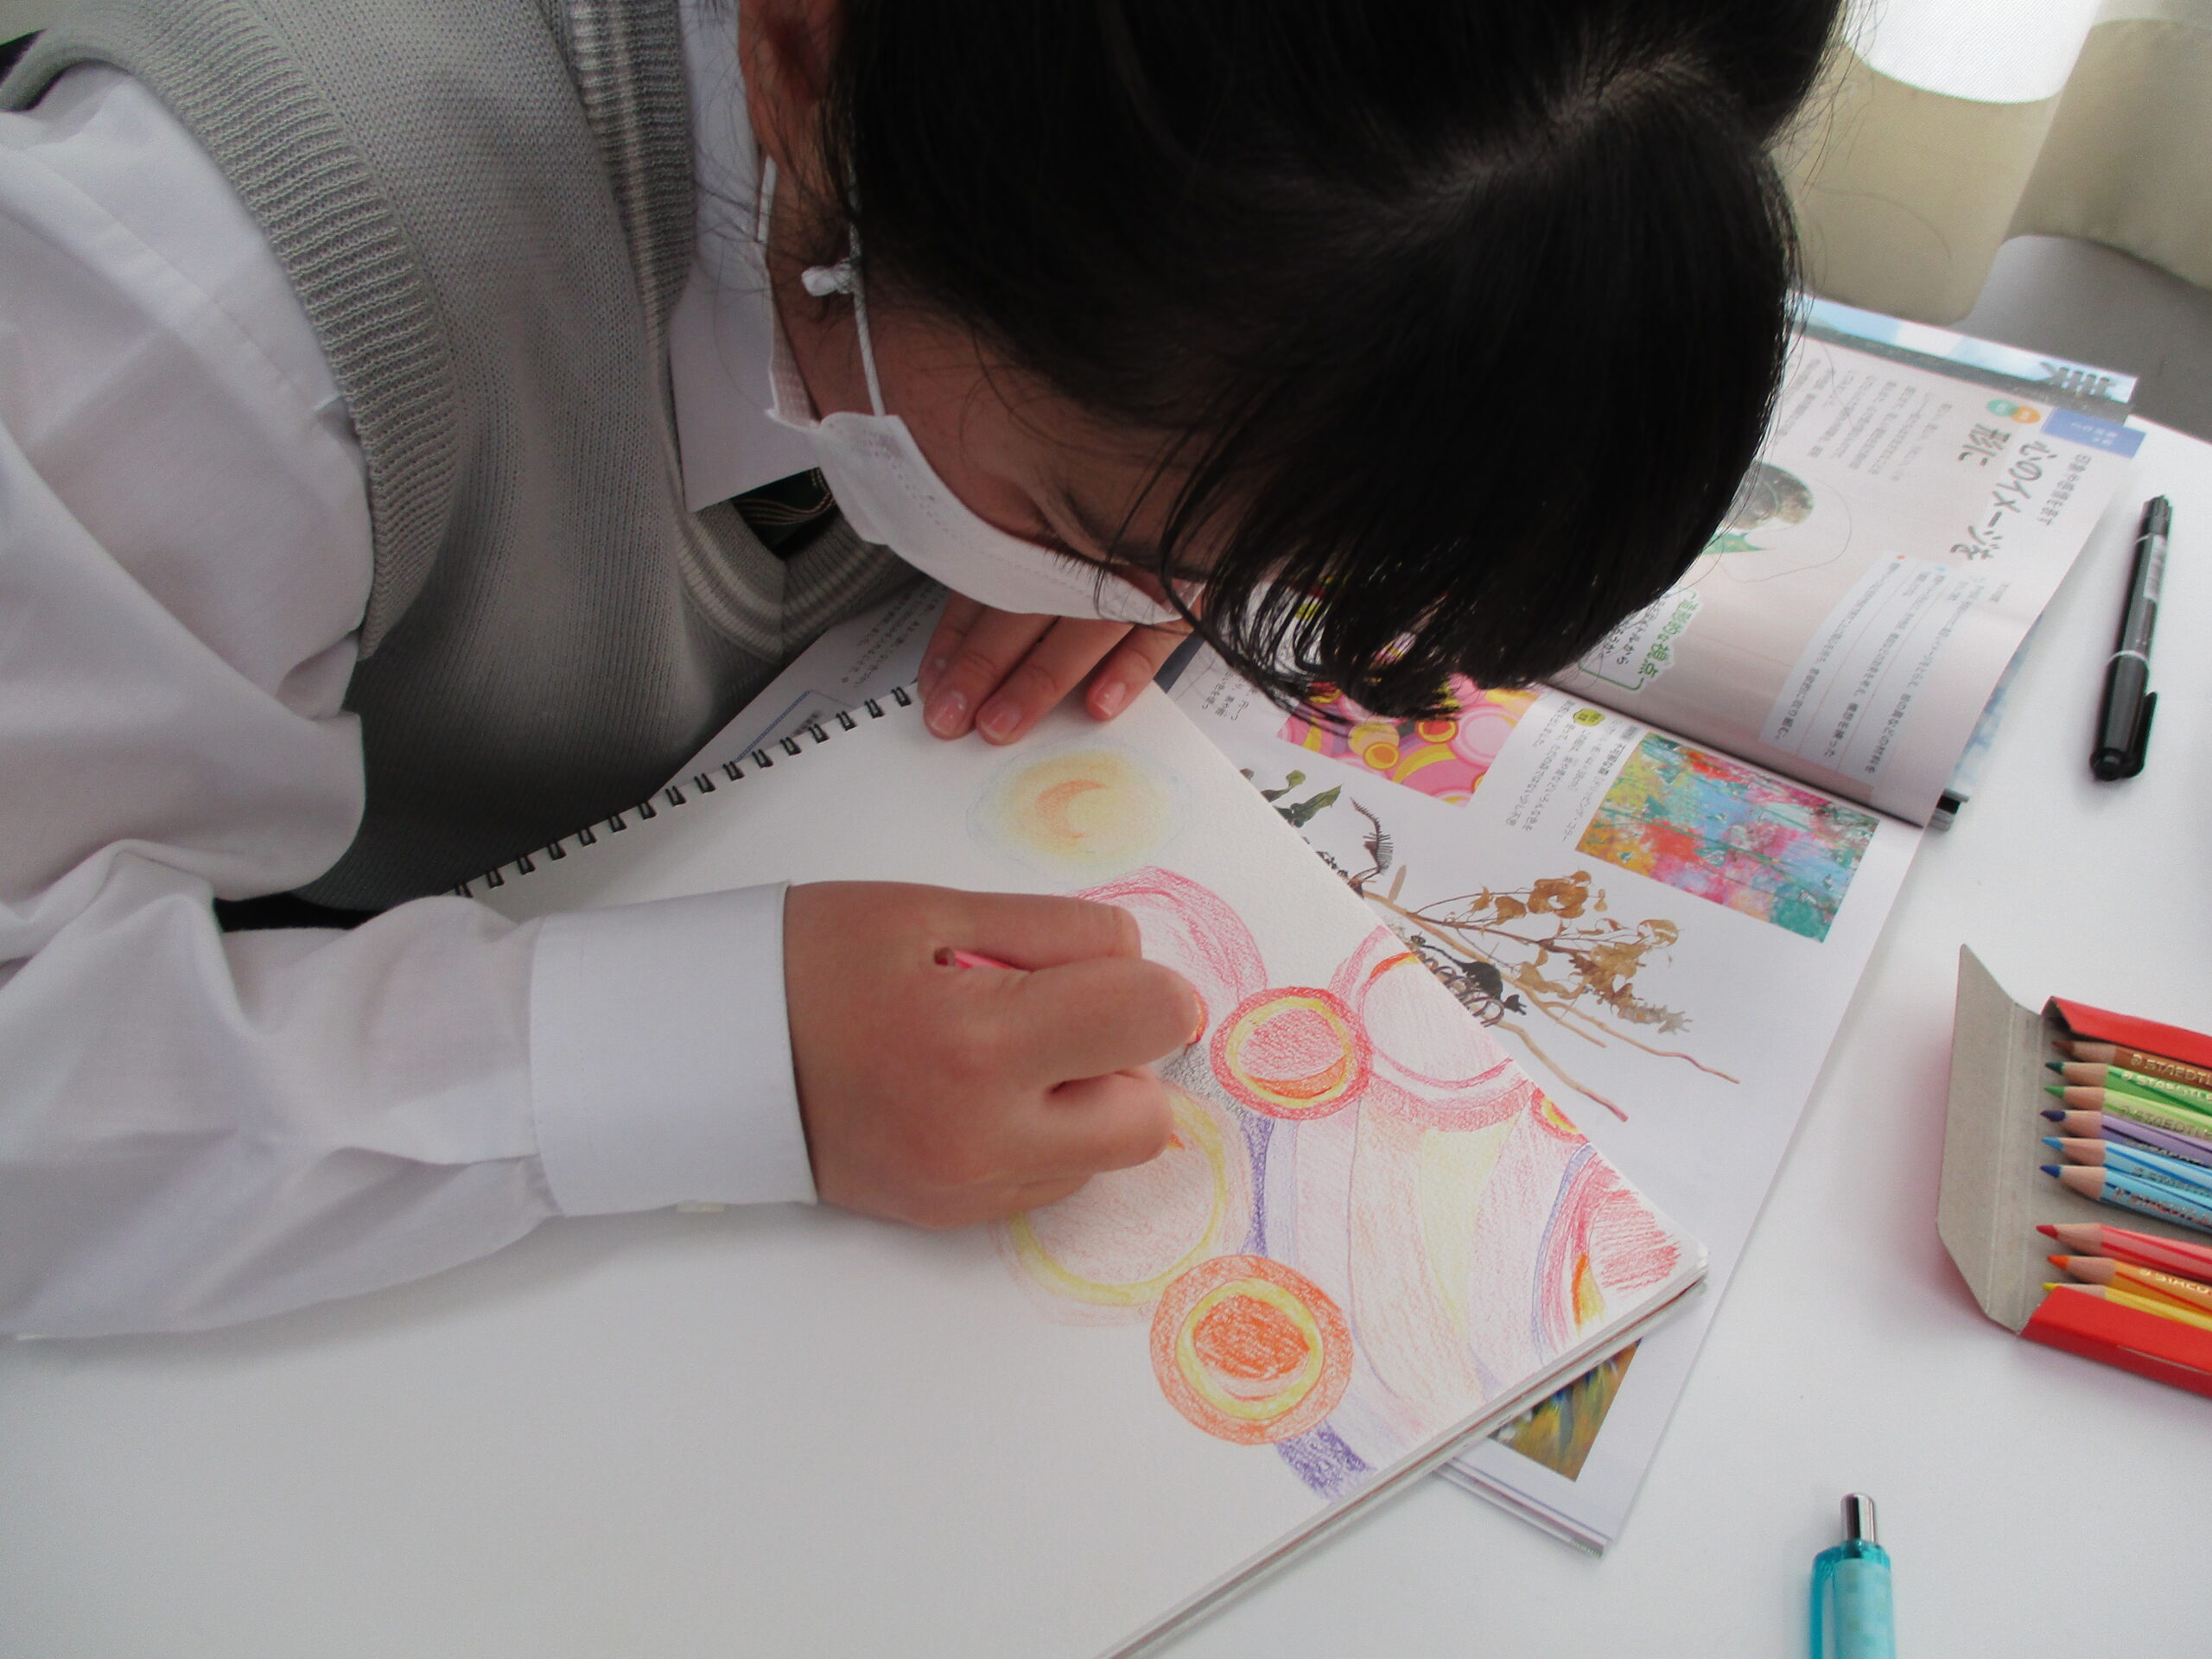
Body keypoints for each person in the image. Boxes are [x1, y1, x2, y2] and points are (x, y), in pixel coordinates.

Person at [0, 0, 1842, 1334]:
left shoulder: (1218, 195)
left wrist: (1221, 497)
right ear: (804, 61)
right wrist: (725, 1059)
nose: (1183, 604)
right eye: (1097, 524)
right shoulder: (192, 298)